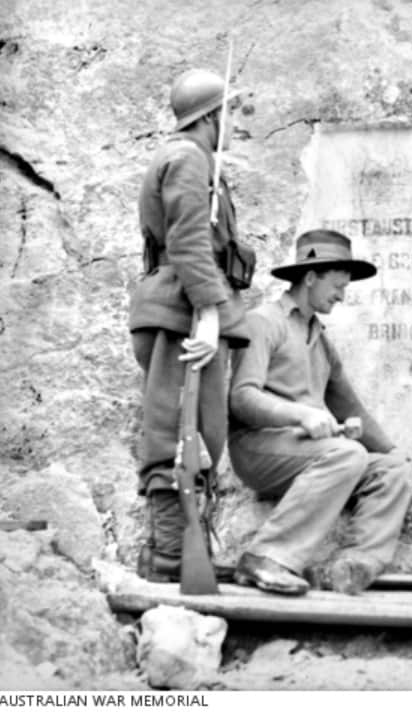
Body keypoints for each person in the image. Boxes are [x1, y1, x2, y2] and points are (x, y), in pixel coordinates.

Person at [227, 229, 412, 596]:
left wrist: (395, 454)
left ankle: (350, 567)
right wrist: (301, 415)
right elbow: (242, 398)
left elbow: (348, 404)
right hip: (259, 449)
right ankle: (266, 557)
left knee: (393, 471)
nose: (342, 296)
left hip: (313, 453)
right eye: (337, 286)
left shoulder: (320, 338)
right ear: (310, 277)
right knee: (347, 454)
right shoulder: (263, 322)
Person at [130, 67, 252, 582]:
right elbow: (188, 243)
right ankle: (169, 557)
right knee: (172, 433)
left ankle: (180, 549)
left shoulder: (196, 159)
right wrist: (207, 313)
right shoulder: (186, 158)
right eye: (230, 112)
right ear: (210, 116)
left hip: (186, 308)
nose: (236, 121)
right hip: (181, 312)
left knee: (200, 433)